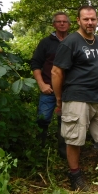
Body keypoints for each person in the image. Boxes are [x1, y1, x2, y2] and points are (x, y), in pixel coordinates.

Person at [52, 6, 98, 191]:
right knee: (74, 138)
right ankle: (75, 176)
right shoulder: (71, 42)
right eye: (86, 19)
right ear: (78, 21)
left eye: (93, 19)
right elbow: (56, 71)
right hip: (76, 97)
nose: (90, 22)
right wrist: (59, 100)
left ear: (97, 20)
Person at [30, 11, 70, 158]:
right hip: (49, 88)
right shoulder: (46, 42)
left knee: (65, 121)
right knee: (42, 119)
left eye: (64, 21)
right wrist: (41, 84)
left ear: (69, 24)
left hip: (68, 90)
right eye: (59, 21)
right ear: (54, 24)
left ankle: (64, 154)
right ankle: (38, 152)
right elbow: (35, 64)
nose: (62, 24)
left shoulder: (73, 41)